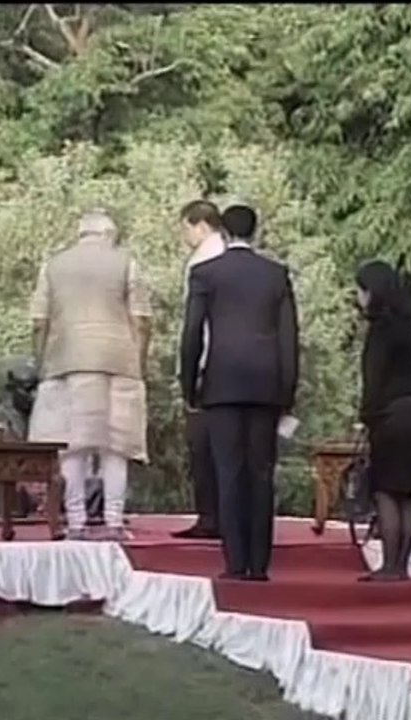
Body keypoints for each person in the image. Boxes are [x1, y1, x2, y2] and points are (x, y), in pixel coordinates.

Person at [180, 203, 299, 581]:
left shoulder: (206, 273)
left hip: (222, 384)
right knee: (262, 473)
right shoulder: (275, 274)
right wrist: (287, 391)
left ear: (224, 232)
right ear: (255, 231)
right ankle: (260, 564)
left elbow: (192, 333)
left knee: (228, 471)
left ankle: (235, 562)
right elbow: (289, 338)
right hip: (266, 385)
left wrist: (189, 384)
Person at [28, 209, 152, 541]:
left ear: (80, 233)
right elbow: (141, 318)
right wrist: (139, 360)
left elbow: (39, 320)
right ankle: (113, 521)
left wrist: (41, 361)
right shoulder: (126, 261)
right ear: (109, 235)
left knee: (71, 446)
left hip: (65, 362)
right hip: (119, 362)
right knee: (116, 446)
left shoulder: (53, 265)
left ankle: (77, 521)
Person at [354, 260, 411, 582]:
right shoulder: (409, 328)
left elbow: (374, 380)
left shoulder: (380, 331)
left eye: (360, 290)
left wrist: (365, 418)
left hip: (390, 415)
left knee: (385, 491)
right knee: (407, 493)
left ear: (372, 292)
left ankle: (388, 566)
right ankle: (402, 565)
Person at [171, 200, 225, 540]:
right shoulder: (224, 254)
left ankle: (211, 516)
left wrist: (189, 376)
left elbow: (196, 327)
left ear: (200, 225)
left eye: (185, 228)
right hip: (224, 365)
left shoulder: (206, 261)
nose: (184, 236)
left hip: (210, 365)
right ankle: (219, 515)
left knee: (204, 446)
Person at [0, 356, 41, 518]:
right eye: (27, 388)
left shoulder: (47, 416)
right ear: (11, 388)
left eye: (37, 389)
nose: (33, 395)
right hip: (5, 491)